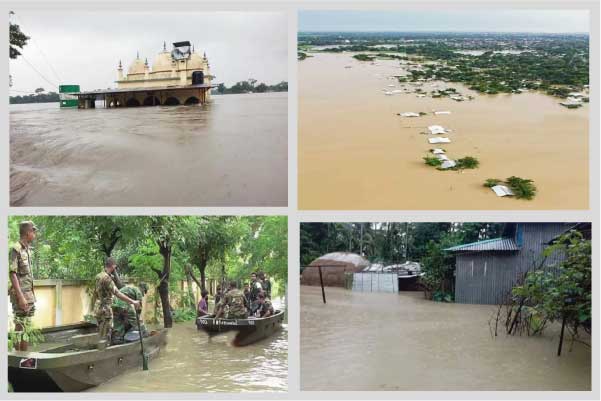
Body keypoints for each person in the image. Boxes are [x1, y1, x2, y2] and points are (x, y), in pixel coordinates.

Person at [93, 257, 141, 344]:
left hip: (97, 307)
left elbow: (95, 293)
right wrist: (133, 301)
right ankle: (105, 352)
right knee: (107, 333)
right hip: (105, 309)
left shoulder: (98, 276)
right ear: (113, 266)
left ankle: (100, 348)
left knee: (100, 332)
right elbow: (117, 293)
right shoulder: (107, 278)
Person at [9, 221, 38, 351]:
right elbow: (12, 274)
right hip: (21, 296)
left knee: (26, 326)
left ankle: (24, 356)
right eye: (34, 231)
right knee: (20, 326)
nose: (35, 234)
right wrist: (21, 297)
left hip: (29, 295)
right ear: (28, 233)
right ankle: (16, 358)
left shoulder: (27, 250)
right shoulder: (16, 249)